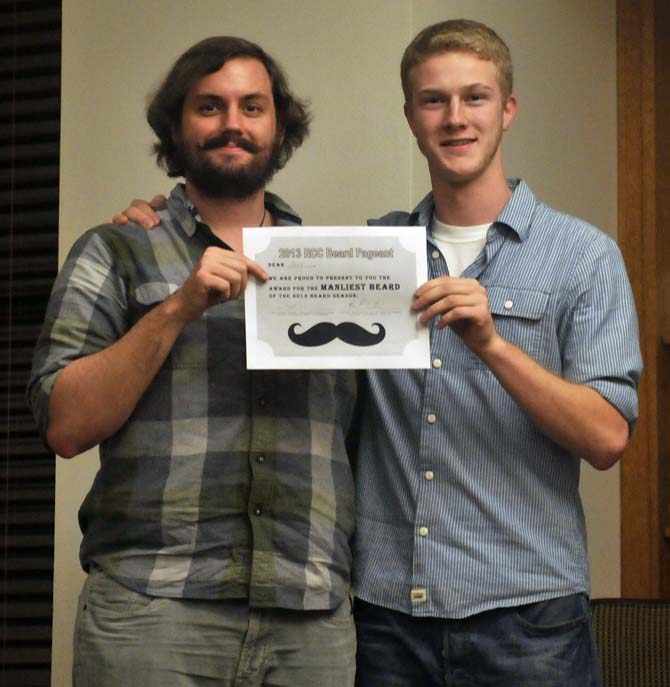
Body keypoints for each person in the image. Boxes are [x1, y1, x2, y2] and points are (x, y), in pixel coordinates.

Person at [114, 19, 642, 687]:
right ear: (410, 117)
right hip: (388, 619)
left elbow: (606, 437)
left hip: (530, 618)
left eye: (475, 97)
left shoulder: (584, 256)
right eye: (433, 100)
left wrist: (492, 345)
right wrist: (161, 219)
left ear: (507, 110)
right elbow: (237, 231)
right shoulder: (369, 252)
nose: (455, 118)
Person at [28, 36, 357, 687]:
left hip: (310, 617)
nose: (232, 122)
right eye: (210, 106)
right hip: (152, 614)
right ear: (176, 127)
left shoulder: (337, 265)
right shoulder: (116, 250)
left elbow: (368, 438)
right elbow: (64, 424)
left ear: (280, 126)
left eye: (252, 106)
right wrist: (178, 306)